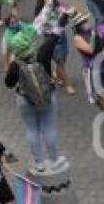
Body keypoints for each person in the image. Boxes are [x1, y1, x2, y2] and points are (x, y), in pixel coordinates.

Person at [4, 22, 66, 174]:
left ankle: (38, 162)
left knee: (31, 129)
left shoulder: (15, 65)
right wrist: (64, 17)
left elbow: (9, 84)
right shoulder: (42, 53)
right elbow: (55, 35)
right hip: (47, 96)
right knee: (48, 127)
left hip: (25, 100)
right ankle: (54, 159)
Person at [70, 9, 104, 128]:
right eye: (83, 22)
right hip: (92, 68)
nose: (86, 23)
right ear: (78, 26)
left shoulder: (93, 32)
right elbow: (90, 50)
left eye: (85, 20)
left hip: (103, 63)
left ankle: (101, 101)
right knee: (100, 93)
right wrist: (94, 35)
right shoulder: (77, 38)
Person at [33, 0, 75, 95]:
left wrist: (70, 13)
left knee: (63, 59)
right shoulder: (41, 13)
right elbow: (42, 21)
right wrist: (47, 7)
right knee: (60, 61)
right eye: (46, 0)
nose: (49, 1)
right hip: (51, 38)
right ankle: (67, 85)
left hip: (62, 37)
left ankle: (57, 74)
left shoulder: (57, 8)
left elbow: (65, 16)